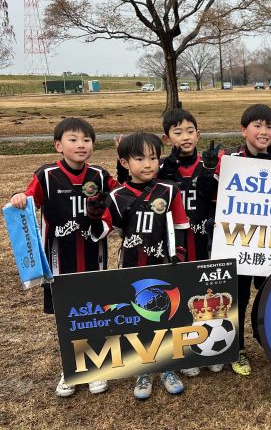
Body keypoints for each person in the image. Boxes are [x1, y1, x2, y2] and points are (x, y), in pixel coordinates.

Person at [10, 117, 117, 398]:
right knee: (67, 317)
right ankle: (70, 368)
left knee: (95, 313)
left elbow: (122, 198)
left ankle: (96, 367)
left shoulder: (101, 176)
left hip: (95, 261)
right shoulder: (46, 175)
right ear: (58, 145)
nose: (81, 145)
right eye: (73, 139)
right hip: (59, 264)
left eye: (86, 140)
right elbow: (27, 199)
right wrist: (19, 196)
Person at [87, 131, 190, 398]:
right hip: (132, 266)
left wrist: (179, 253)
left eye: (154, 158)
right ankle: (144, 370)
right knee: (140, 316)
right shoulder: (118, 195)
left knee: (166, 313)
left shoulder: (169, 190)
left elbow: (181, 223)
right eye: (140, 158)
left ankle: (167, 366)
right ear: (124, 163)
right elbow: (100, 232)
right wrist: (95, 215)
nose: (148, 164)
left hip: (164, 264)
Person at [213, 104, 271, 376]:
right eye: (257, 126)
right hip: (238, 243)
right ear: (243, 130)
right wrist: (211, 170)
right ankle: (236, 348)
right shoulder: (229, 160)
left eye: (270, 126)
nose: (264, 132)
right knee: (236, 298)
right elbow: (211, 194)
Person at [157, 108, 223, 377]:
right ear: (167, 137)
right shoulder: (162, 166)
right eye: (177, 132)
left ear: (199, 133)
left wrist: (209, 171)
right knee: (180, 293)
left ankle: (211, 346)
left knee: (208, 292)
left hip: (204, 237)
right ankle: (186, 352)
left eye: (190, 131)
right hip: (177, 241)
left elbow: (218, 196)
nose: (185, 137)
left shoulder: (210, 163)